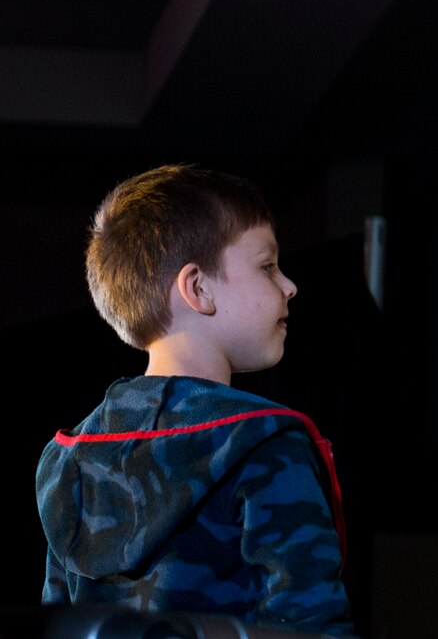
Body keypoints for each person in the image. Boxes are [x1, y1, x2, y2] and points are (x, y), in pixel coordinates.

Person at [38, 165, 351, 634]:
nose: (289, 285)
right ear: (198, 288)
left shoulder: (67, 458)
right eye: (267, 266)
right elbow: (310, 625)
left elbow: (57, 626)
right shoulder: (264, 444)